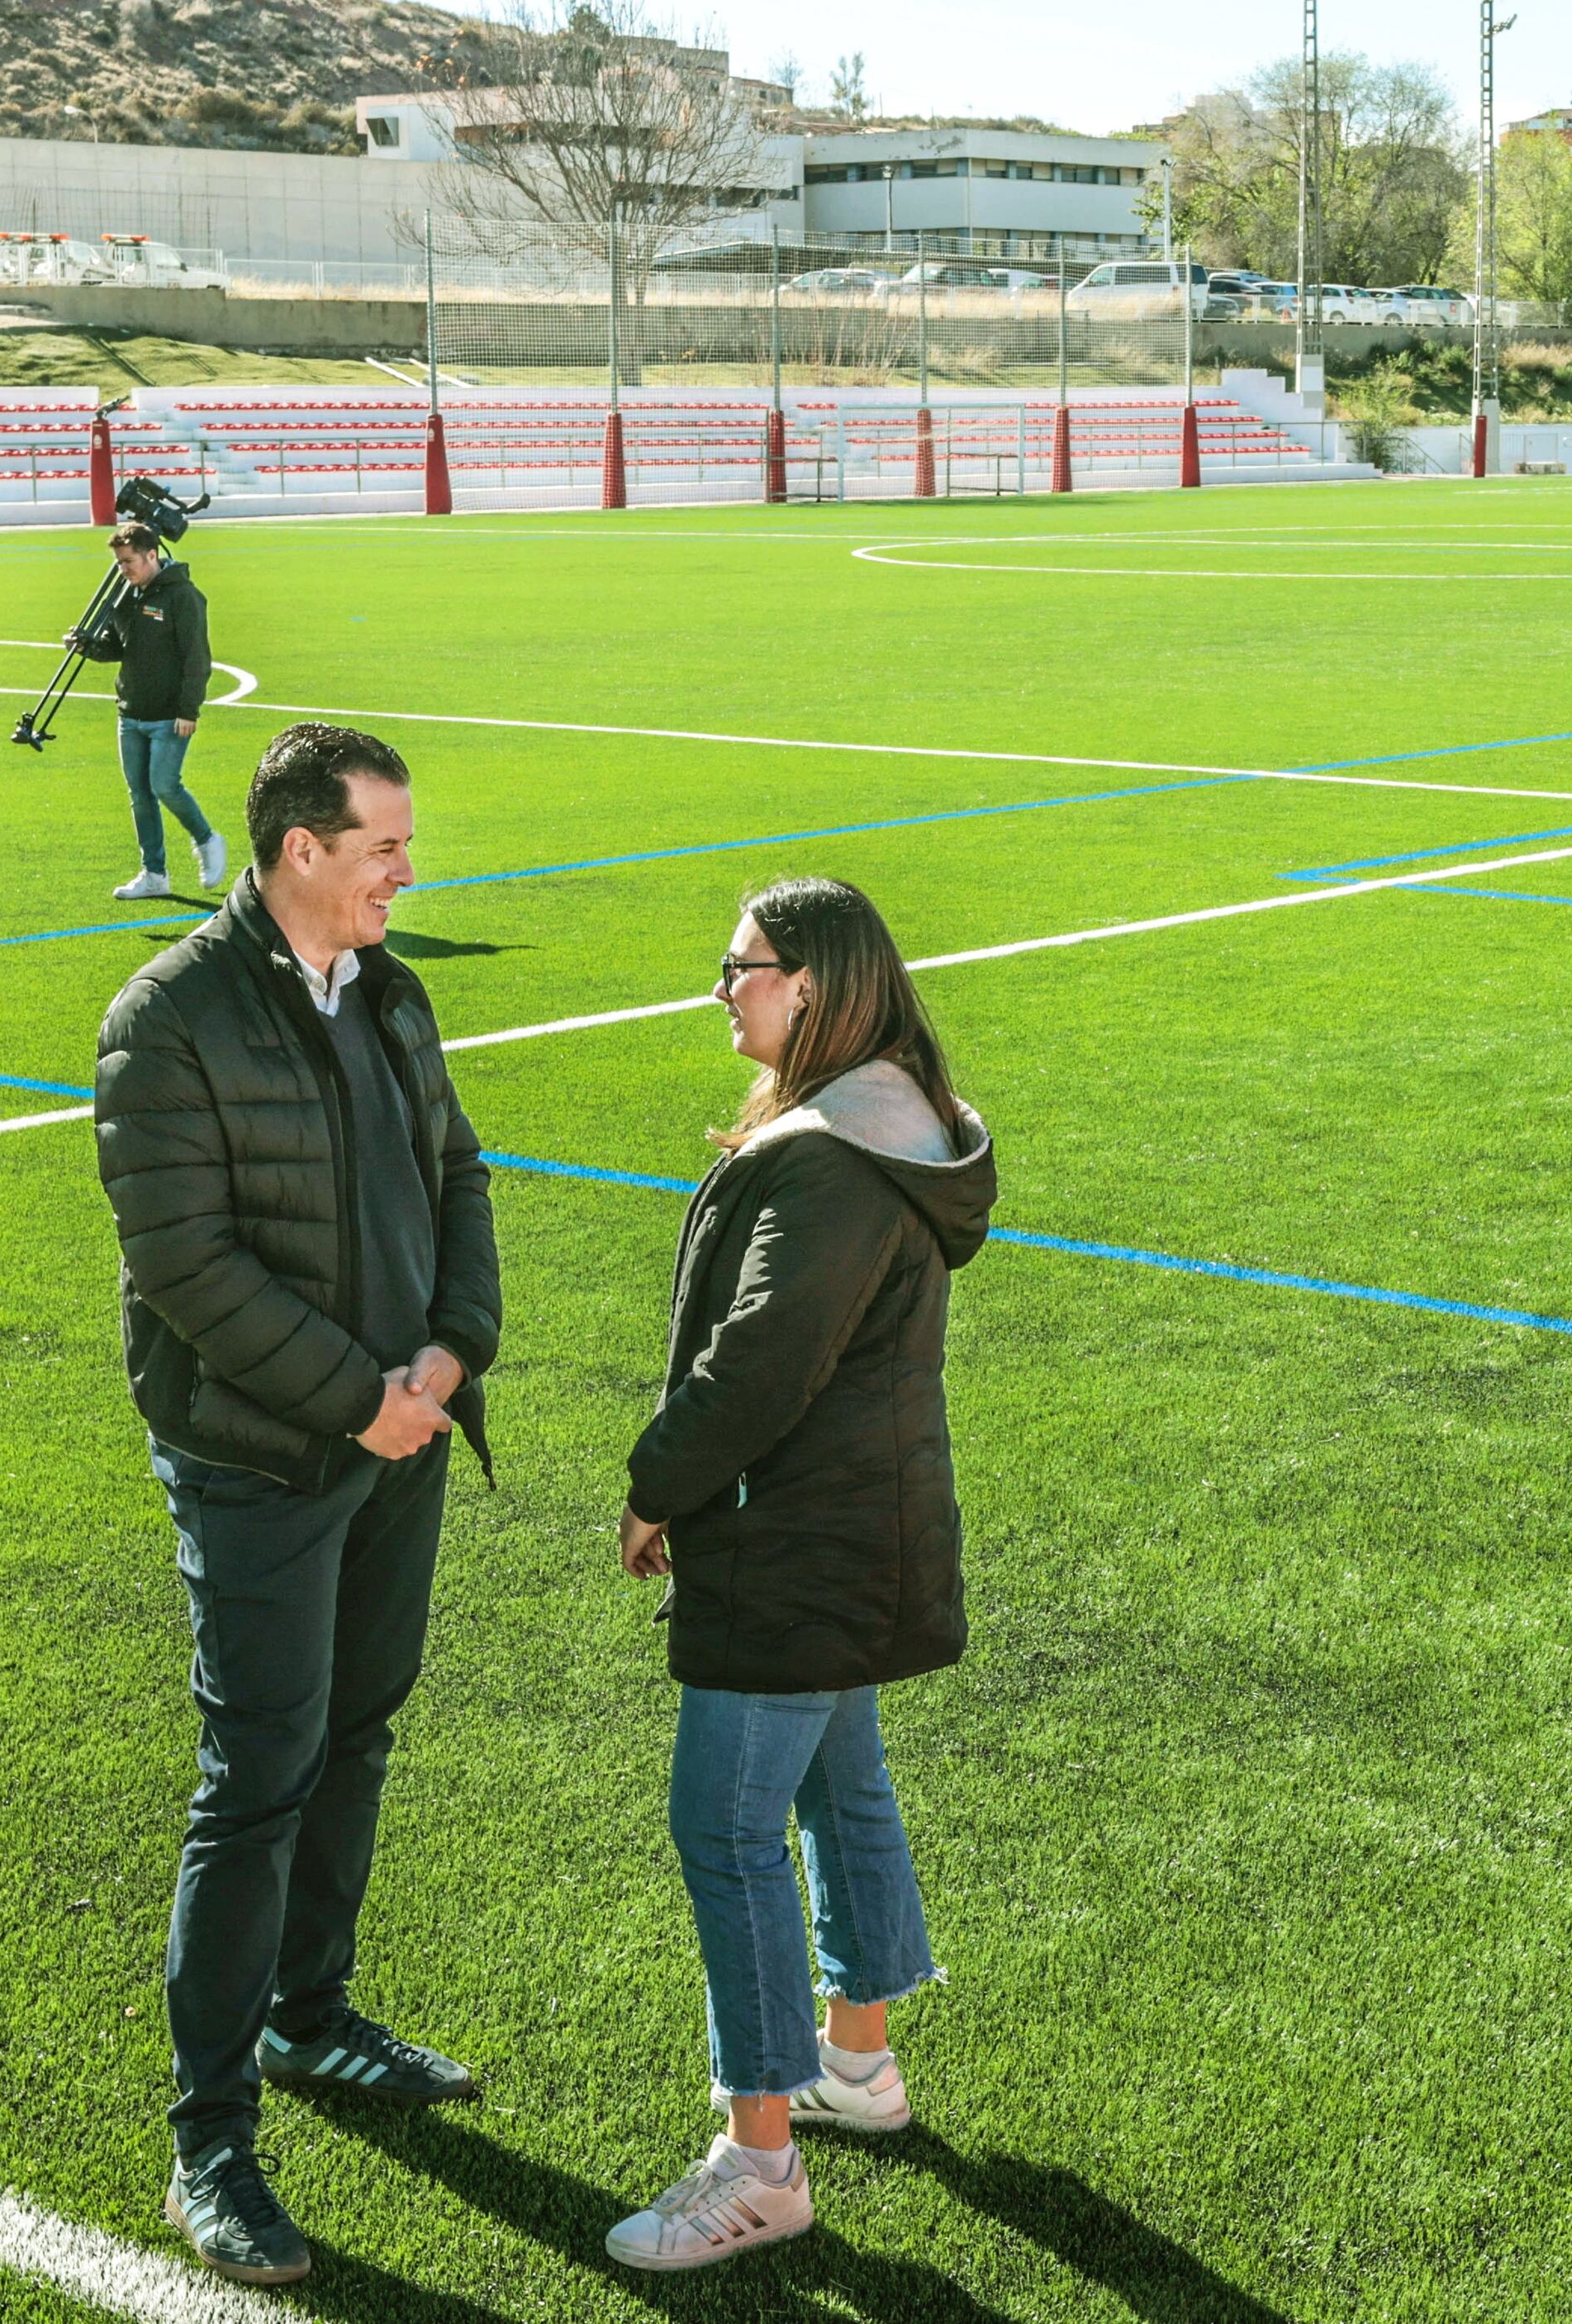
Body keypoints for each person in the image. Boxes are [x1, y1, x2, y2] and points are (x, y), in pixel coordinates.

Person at [93, 720, 501, 2287]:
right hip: (266, 1458)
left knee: (359, 1728)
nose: (410, 868)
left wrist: (457, 1351)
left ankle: (312, 2016)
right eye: (387, 843)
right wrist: (363, 1396)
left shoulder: (394, 990)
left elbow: (460, 1173)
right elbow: (187, 1267)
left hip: (403, 1433)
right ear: (301, 851)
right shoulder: (168, 1020)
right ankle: (212, 2134)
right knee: (257, 1772)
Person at [603, 876, 998, 2273]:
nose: (722, 985)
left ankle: (761, 2161)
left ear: (814, 986)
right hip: (854, 1526)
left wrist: (660, 1483)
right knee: (842, 1782)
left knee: (723, 1824)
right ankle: (860, 2063)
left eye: (741, 965)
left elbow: (759, 1365)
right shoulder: (881, 1126)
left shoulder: (832, 1161)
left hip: (799, 1538)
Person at [80, 519, 224, 901]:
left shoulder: (184, 597)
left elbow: (197, 658)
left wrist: (189, 709)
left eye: (128, 562)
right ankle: (154, 874)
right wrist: (87, 647)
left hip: (169, 714)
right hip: (131, 712)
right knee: (140, 794)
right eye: (119, 563)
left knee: (164, 785)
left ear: (151, 555)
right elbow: (116, 647)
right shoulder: (126, 597)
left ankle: (207, 840)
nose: (123, 570)